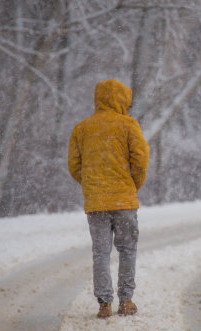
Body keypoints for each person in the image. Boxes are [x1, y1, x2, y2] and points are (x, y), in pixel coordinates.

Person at [68, 79, 150, 318]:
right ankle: (126, 300)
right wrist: (133, 185)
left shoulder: (82, 128)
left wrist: (91, 184)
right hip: (124, 200)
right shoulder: (128, 124)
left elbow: (74, 165)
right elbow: (141, 159)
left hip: (96, 203)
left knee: (100, 252)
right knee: (127, 250)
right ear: (122, 99)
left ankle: (104, 304)